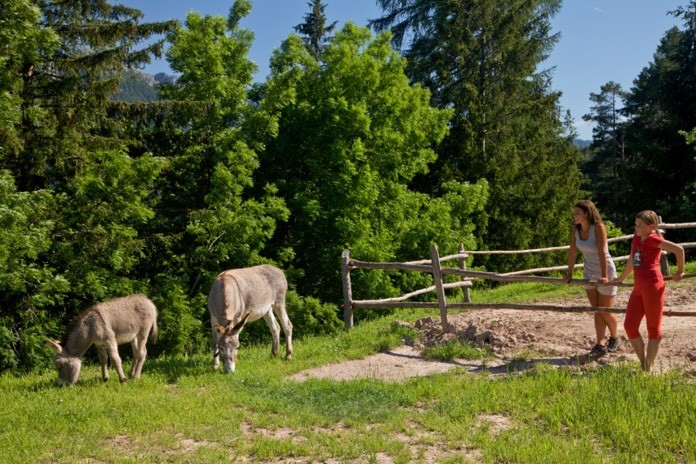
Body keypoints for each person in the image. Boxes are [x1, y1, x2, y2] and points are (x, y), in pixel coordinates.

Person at [610, 210, 685, 373]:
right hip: (638, 287)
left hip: (653, 286)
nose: (636, 228)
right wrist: (621, 278)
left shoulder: (654, 239)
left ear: (651, 227)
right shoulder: (636, 238)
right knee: (629, 326)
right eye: (636, 224)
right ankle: (644, 362)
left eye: (640, 225)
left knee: (653, 328)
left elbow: (679, 250)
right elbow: (632, 260)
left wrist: (680, 271)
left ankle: (647, 369)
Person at [563, 200, 619, 358]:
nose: (574, 216)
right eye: (574, 213)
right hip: (588, 272)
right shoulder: (576, 229)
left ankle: (614, 337)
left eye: (577, 213)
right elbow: (573, 251)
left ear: (587, 213)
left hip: (605, 269)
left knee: (605, 310)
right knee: (597, 310)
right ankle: (600, 343)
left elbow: (602, 251)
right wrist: (569, 273)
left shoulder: (598, 228)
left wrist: (604, 275)